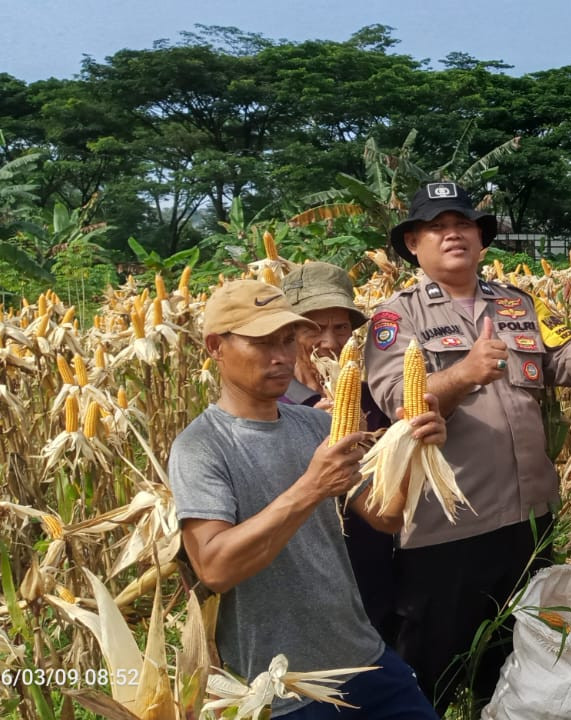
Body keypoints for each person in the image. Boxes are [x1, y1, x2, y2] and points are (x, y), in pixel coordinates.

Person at [364, 181, 571, 713]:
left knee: (519, 668)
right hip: (448, 527)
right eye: (437, 227)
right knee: (434, 676)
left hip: (528, 519)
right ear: (413, 243)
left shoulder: (515, 303)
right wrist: (464, 372)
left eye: (463, 224)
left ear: (481, 238)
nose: (453, 235)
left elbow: (552, 366)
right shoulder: (396, 317)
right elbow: (396, 400)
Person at [169, 279, 446, 719]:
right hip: (281, 686)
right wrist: (312, 486)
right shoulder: (201, 447)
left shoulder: (316, 426)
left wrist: (414, 449)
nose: (281, 356)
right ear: (216, 347)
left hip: (365, 659)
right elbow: (215, 568)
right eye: (262, 343)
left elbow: (386, 516)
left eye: (286, 340)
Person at [281, 261, 394, 636]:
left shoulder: (373, 397)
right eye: (313, 328)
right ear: (287, 331)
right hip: (306, 573)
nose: (330, 342)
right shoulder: (271, 405)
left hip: (373, 565)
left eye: (341, 327)